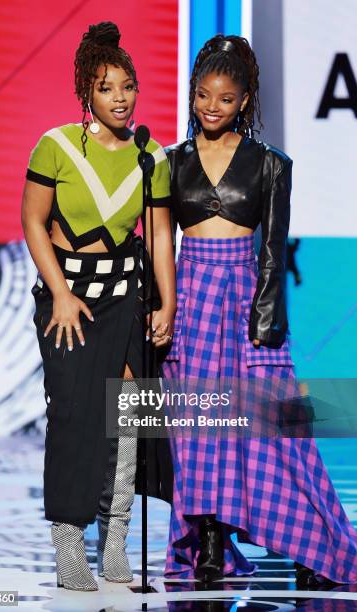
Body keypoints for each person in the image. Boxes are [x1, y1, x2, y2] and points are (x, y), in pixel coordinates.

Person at [162, 34, 357, 587]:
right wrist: (162, 310)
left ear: (244, 100)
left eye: (224, 98)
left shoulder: (271, 164)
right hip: (193, 297)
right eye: (203, 96)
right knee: (198, 425)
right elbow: (157, 243)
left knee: (278, 429)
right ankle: (209, 541)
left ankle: (314, 543)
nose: (211, 107)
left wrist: (266, 323)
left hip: (247, 302)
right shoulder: (170, 163)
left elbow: (274, 248)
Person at [21, 21, 175, 591]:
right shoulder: (55, 145)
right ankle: (69, 547)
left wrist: (168, 305)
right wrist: (60, 293)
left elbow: (159, 234)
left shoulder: (150, 154)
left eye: (128, 86)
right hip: (70, 301)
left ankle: (114, 544)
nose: (120, 98)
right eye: (107, 87)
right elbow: (32, 222)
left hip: (128, 300)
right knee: (71, 417)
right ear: (87, 91)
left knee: (126, 422)